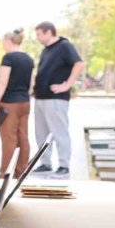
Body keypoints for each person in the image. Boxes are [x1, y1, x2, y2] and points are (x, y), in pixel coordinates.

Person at [33, 21, 84, 177]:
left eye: (39, 34)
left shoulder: (64, 46)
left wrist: (67, 85)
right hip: (40, 97)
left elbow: (79, 64)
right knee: (41, 133)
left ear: (49, 32)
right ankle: (45, 163)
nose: (37, 38)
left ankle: (64, 165)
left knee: (59, 131)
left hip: (56, 98)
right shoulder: (45, 50)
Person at [0, 29, 35, 178]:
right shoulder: (29, 59)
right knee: (23, 136)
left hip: (9, 103)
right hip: (25, 102)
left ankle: (5, 173)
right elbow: (31, 83)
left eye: (4, 42)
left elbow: (2, 82)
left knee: (9, 138)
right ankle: (21, 171)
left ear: (9, 41)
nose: (3, 45)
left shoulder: (9, 58)